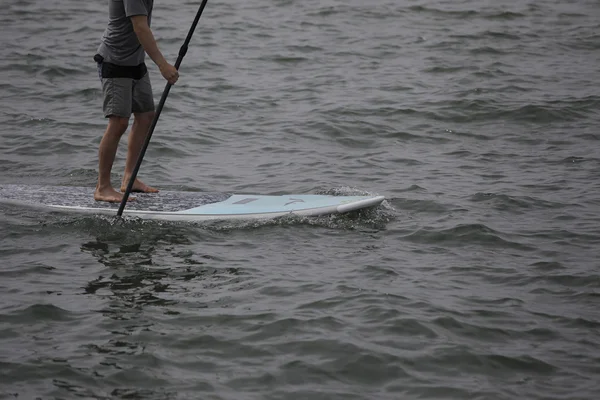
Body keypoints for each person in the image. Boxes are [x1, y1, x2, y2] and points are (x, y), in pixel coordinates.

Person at [94, 0, 179, 202]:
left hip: (136, 62)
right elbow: (140, 27)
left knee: (146, 115)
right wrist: (162, 65)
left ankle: (129, 178)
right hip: (115, 61)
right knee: (119, 122)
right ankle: (102, 187)